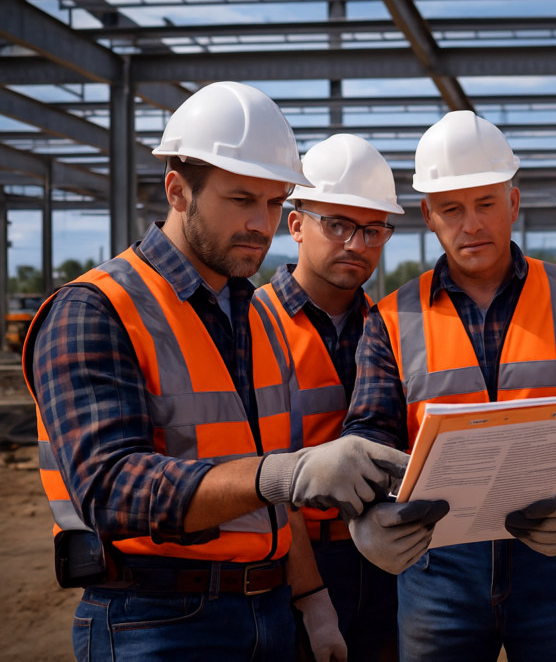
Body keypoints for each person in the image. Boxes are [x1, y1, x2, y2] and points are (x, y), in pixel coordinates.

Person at [23, 82, 425, 662]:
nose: (261, 223)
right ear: (177, 190)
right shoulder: (95, 309)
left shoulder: (255, 318)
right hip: (153, 620)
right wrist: (279, 475)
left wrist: (312, 599)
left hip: (269, 607)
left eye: (274, 202)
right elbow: (110, 489)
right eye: (241, 199)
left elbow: (278, 494)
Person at [342, 110, 556, 662]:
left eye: (486, 203)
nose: (472, 225)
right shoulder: (390, 318)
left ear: (514, 203)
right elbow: (371, 433)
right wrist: (369, 515)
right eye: (452, 209)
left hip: (555, 552)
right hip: (437, 567)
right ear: (429, 216)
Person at [253, 134, 405, 662]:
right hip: (289, 567)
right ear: (296, 224)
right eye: (337, 224)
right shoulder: (250, 325)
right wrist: (310, 594)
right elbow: (256, 469)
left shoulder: (396, 329)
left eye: (373, 230)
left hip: (391, 559)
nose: (357, 244)